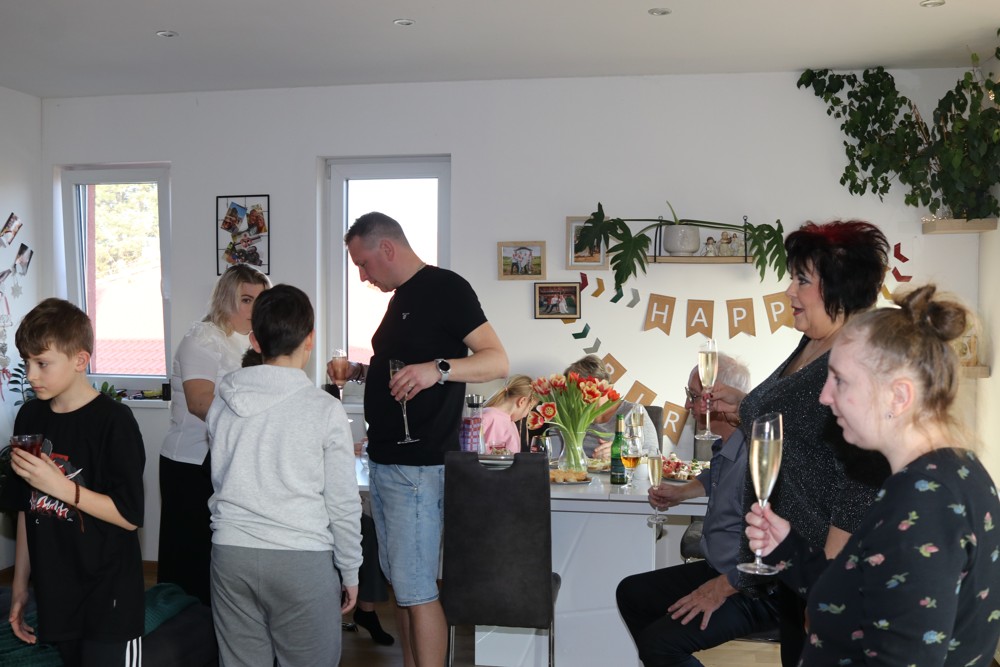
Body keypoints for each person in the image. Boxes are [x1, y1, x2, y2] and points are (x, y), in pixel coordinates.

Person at [746, 284, 1000, 666]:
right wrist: (787, 549)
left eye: (840, 380)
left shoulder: (925, 501)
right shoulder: (950, 472)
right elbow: (863, 596)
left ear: (898, 396)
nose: (824, 397)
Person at [710, 220, 893, 665]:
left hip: (820, 558)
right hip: (794, 557)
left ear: (840, 287)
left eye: (802, 280)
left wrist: (825, 577)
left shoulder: (856, 360)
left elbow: (862, 477)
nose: (790, 291)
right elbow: (796, 421)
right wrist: (745, 407)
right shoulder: (811, 343)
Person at [334, 211, 508, 667]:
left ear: (387, 248)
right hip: (387, 462)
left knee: (417, 590)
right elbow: (403, 371)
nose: (362, 275)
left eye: (363, 264)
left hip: (418, 468)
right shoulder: (401, 299)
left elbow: (497, 361)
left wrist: (440, 369)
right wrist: (361, 372)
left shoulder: (446, 288)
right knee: (404, 589)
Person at [207, 284, 362, 666]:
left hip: (232, 555)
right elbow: (342, 502)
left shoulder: (222, 402)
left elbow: (221, 477)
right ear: (310, 339)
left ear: (255, 341)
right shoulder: (324, 409)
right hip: (301, 559)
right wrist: (351, 569)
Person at [8, 298, 146, 666]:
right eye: (26, 362)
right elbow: (27, 509)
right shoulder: (29, 416)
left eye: (42, 363)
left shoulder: (114, 421)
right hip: (56, 597)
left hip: (109, 599)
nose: (31, 375)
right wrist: (20, 587)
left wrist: (61, 487)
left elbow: (129, 515)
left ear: (80, 360)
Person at [617, 355, 779, 666]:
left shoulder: (757, 458)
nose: (687, 405)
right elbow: (713, 475)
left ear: (722, 401)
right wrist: (681, 492)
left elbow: (778, 545)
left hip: (754, 585)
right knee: (632, 593)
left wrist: (724, 586)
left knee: (659, 645)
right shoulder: (727, 444)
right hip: (719, 567)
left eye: (693, 396)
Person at [158, 264, 271, 605]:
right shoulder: (203, 338)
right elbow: (199, 402)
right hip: (191, 463)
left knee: (219, 556)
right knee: (190, 558)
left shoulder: (249, 342)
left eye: (261, 300)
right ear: (226, 299)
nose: (255, 309)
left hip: (224, 461)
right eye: (246, 299)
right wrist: (250, 429)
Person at [564, 354, 658, 459]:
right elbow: (560, 455)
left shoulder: (633, 411)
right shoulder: (573, 416)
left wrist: (622, 451)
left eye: (575, 389)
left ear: (595, 384)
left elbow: (654, 453)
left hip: (620, 469)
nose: (571, 396)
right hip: (581, 470)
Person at [481, 374, 537, 453]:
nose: (526, 415)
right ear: (522, 401)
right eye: (530, 408)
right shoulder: (486, 417)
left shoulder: (511, 422)